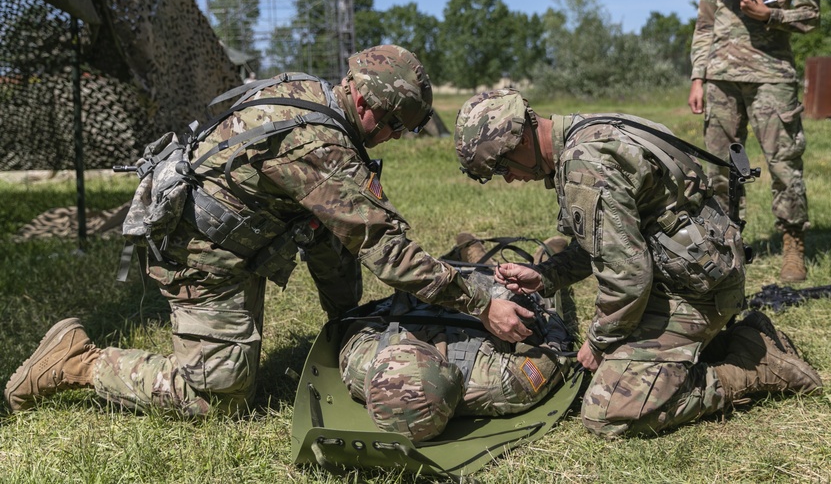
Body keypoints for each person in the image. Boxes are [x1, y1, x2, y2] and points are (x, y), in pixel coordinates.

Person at [5, 45, 533, 416]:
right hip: (201, 257)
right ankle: (78, 361)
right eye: (395, 126)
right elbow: (381, 246)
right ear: (368, 104)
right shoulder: (317, 144)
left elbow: (337, 236)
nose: (394, 138)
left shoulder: (317, 99)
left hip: (241, 237)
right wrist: (480, 303)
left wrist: (347, 323)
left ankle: (342, 324)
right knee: (216, 398)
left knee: (333, 237)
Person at [453, 88, 822, 438]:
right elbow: (606, 242)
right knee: (620, 364)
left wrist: (598, 342)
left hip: (694, 294)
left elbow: (628, 277)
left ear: (520, 141)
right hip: (690, 276)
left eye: (504, 167)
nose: (511, 179)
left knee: (607, 409)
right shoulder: (591, 128)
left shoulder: (585, 165)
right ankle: (740, 339)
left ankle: (755, 369)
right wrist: (546, 275)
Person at [687, 0, 821, 283]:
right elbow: (704, 21)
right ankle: (727, 244)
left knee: (782, 162)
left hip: (770, 75)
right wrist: (698, 75)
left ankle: (792, 245)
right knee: (722, 167)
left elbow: (811, 16)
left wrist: (770, 15)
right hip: (722, 78)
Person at [338, 235, 574, 442]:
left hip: (446, 290)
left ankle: (471, 252)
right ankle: (544, 258)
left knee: (456, 272)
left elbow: (355, 332)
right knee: (529, 289)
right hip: (500, 299)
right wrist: (545, 321)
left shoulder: (362, 365)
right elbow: (552, 357)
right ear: (449, 378)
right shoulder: (494, 382)